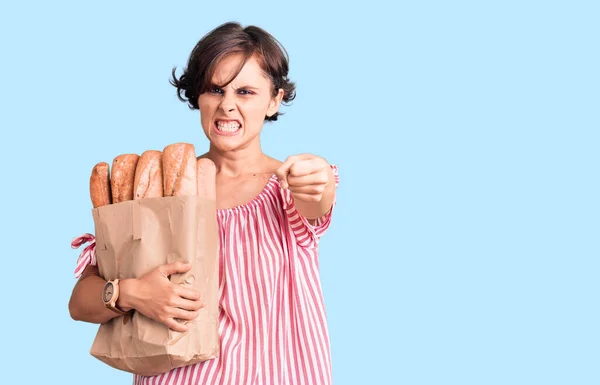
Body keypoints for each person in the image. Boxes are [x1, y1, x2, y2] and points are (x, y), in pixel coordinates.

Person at [69, 21, 340, 385]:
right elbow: (80, 301)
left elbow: (317, 197)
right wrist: (131, 292)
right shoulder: (163, 187)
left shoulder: (289, 188)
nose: (227, 105)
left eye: (245, 92)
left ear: (274, 100)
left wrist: (317, 175)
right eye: (215, 89)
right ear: (198, 95)